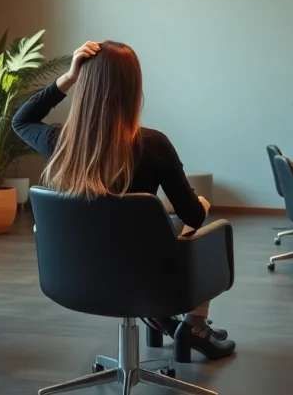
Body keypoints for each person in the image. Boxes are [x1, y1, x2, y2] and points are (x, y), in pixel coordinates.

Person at [12, 40, 235, 361]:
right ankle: (195, 327)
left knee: (160, 226)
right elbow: (193, 217)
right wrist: (201, 203)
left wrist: (69, 77)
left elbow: (21, 120)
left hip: (76, 275)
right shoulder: (154, 144)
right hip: (147, 277)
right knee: (193, 221)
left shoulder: (61, 143)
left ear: (84, 86)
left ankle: (162, 321)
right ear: (134, 89)